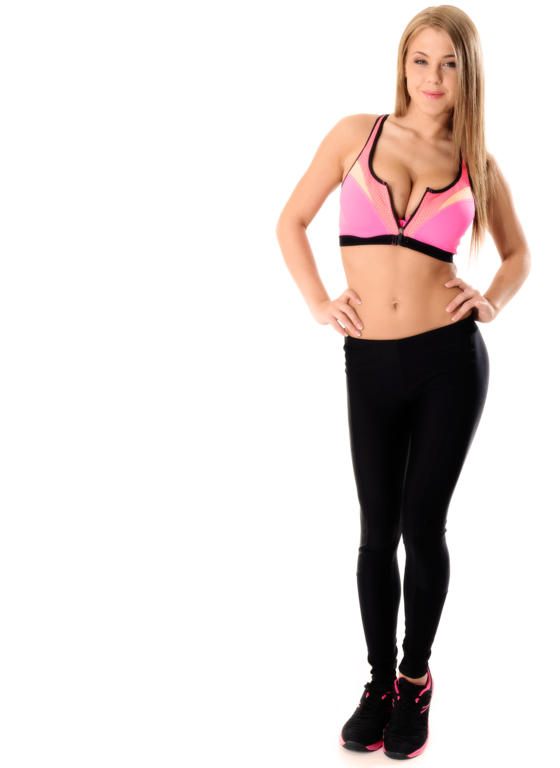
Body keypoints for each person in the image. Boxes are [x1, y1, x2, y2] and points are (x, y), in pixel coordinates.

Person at [275, 6, 530, 760]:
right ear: (402, 63)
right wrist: (318, 303)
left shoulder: (476, 162)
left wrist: (491, 301)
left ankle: (416, 680)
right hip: (370, 362)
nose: (433, 77)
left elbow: (518, 255)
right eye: (421, 60)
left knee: (423, 526)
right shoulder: (356, 134)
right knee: (375, 529)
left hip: (450, 361)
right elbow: (290, 221)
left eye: (449, 63)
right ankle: (378, 681)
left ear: (467, 73)